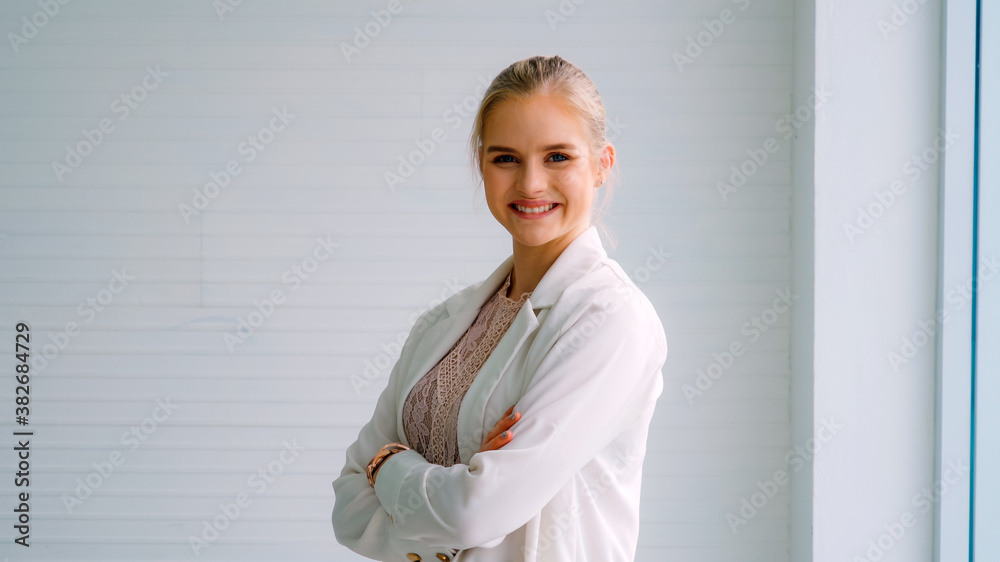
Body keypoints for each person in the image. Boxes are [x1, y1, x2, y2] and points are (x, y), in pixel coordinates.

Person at [332, 55, 667, 562]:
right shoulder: (444, 323)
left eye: (558, 157)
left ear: (602, 165)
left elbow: (475, 513)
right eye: (506, 158)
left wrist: (389, 466)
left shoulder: (611, 321)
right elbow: (347, 508)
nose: (531, 184)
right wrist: (453, 488)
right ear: (481, 164)